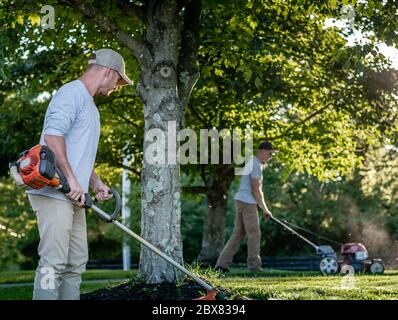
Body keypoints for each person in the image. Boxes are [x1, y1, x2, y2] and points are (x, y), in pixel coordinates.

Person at [26, 48, 132, 300]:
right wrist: (73, 181)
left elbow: (75, 152)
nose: (118, 86)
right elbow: (53, 137)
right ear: (108, 72)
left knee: (75, 263)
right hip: (54, 191)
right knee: (53, 262)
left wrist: (95, 182)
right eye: (119, 80)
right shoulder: (71, 93)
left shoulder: (90, 106)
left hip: (74, 195)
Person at [215, 142, 277, 272]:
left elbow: (256, 189)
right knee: (254, 234)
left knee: (238, 234)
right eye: (270, 153)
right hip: (248, 203)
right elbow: (256, 189)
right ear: (262, 151)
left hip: (241, 201)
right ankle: (254, 266)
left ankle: (221, 265)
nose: (271, 156)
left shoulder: (253, 163)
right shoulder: (255, 165)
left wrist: (262, 207)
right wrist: (265, 209)